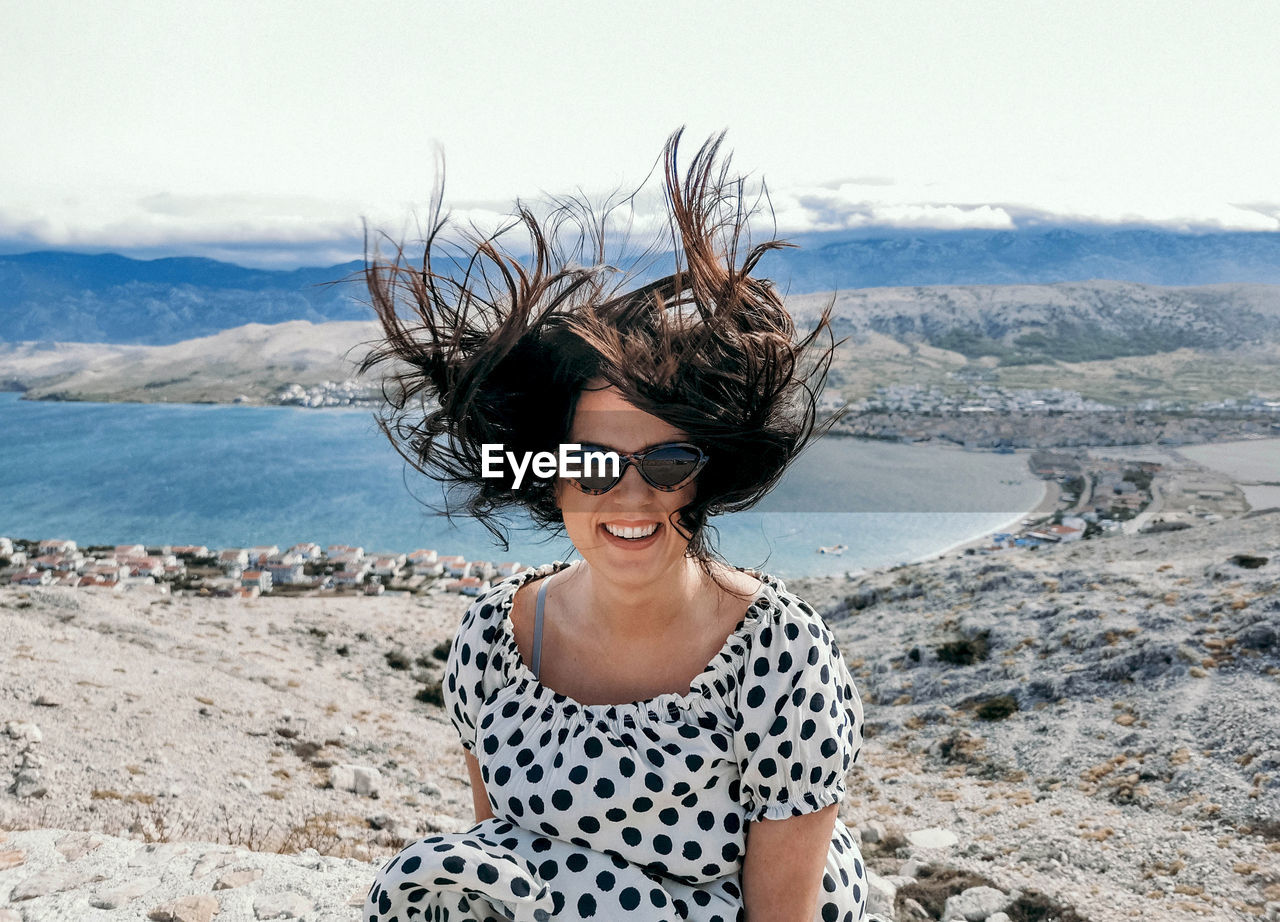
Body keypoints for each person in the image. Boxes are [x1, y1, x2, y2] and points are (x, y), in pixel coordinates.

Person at [360, 132, 867, 922]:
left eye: (666, 462)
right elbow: (506, 862)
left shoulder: (781, 655)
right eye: (592, 463)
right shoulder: (494, 642)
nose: (630, 497)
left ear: (707, 473)